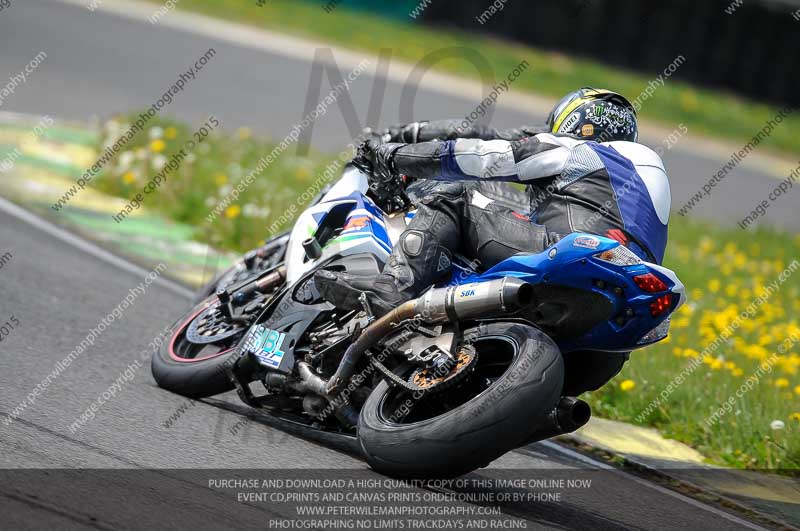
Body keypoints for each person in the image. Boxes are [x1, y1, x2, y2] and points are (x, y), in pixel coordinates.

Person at [315, 87, 671, 395]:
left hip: (574, 253)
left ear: (573, 122)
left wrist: (390, 154)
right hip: (611, 327)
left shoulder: (579, 150)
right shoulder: (644, 174)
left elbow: (480, 153)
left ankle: (386, 298)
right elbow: (493, 136)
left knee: (457, 193)